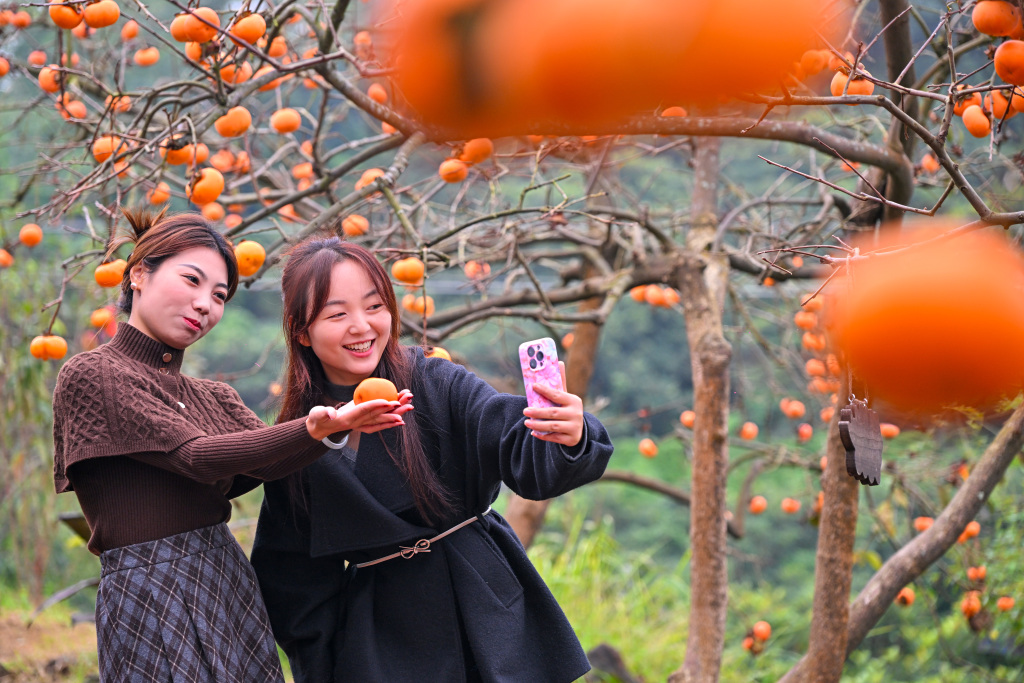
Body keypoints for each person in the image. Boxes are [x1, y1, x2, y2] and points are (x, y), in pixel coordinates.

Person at [51, 208, 408, 683]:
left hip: (225, 578)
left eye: (219, 296)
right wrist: (319, 427)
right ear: (139, 273)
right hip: (149, 588)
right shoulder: (94, 373)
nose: (205, 304)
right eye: (192, 280)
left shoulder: (211, 396)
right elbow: (196, 457)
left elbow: (264, 461)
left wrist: (337, 430)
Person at [250, 237, 615, 682]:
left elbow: (509, 436)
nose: (362, 327)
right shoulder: (299, 439)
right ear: (302, 331)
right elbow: (293, 585)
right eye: (337, 314)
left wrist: (568, 433)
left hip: (486, 606)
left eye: (375, 306)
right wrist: (328, 665)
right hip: (384, 642)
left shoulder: (435, 381)